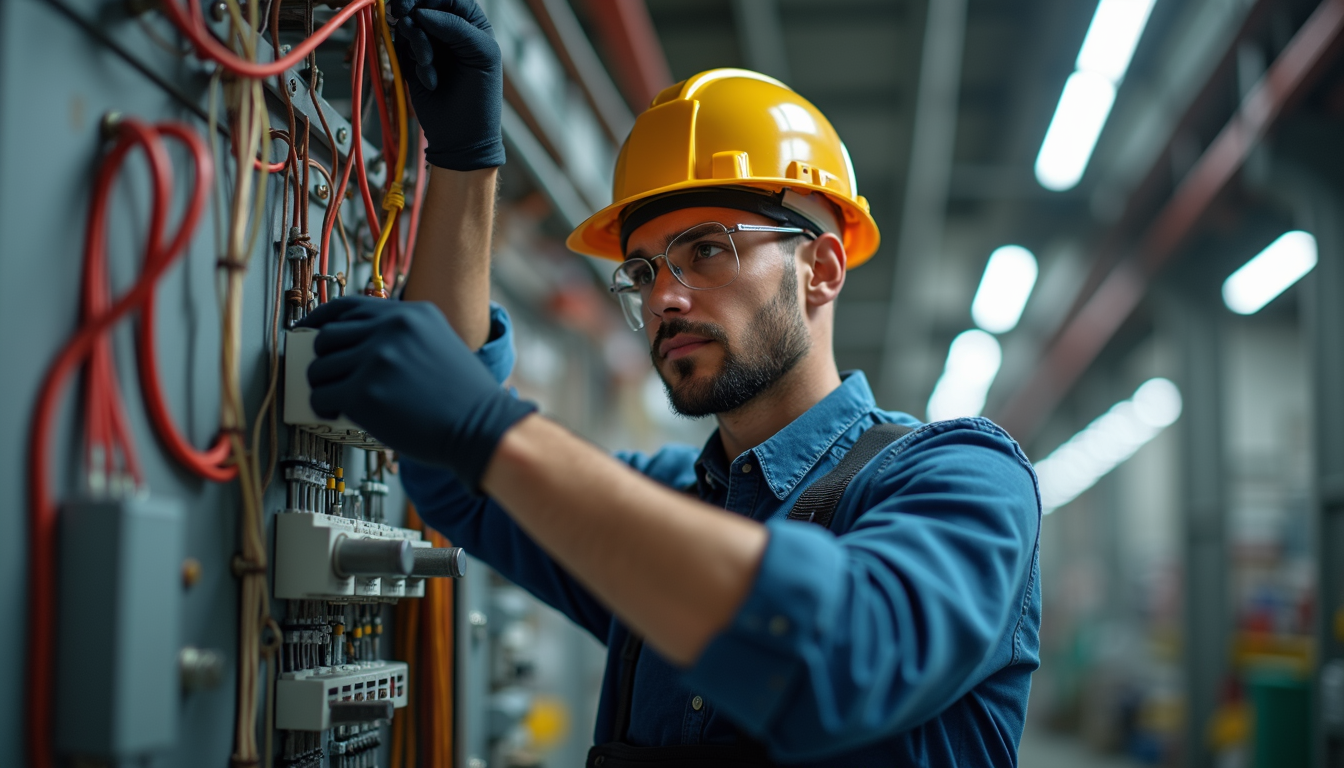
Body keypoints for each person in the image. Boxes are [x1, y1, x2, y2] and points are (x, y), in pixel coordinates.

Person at [298, 1, 1041, 764]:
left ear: (820, 270)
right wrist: (463, 161)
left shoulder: (964, 475)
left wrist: (485, 428)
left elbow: (846, 659)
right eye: (643, 271)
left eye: (707, 250)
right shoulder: (666, 502)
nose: (663, 299)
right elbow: (457, 476)